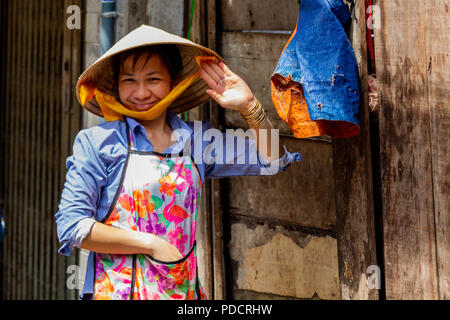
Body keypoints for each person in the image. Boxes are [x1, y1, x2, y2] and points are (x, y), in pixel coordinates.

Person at [55, 25, 302, 300]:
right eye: (128, 81)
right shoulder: (98, 143)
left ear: (173, 81)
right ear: (116, 86)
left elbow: (272, 160)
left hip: (182, 293)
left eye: (153, 79)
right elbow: (72, 226)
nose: (140, 93)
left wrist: (249, 106)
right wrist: (150, 244)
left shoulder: (197, 140)